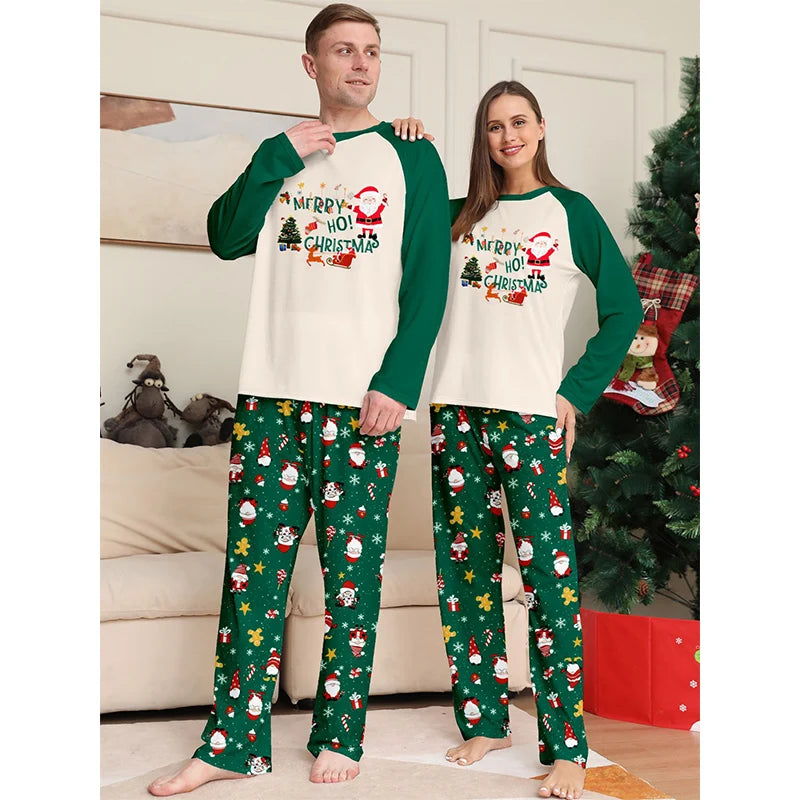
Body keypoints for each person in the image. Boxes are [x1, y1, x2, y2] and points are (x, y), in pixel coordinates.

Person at [147, 4, 451, 795]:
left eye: (373, 52)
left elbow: (426, 283)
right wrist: (275, 159)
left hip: (362, 403)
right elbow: (223, 234)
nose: (361, 64)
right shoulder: (280, 154)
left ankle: (339, 733)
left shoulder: (412, 157)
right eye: (344, 51)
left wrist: (400, 381)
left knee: (354, 579)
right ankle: (230, 743)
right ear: (310, 64)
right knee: (252, 579)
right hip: (273, 399)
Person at [393, 81, 642, 800]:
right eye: (495, 126)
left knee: (548, 585)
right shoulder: (457, 217)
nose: (508, 136)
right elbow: (394, 220)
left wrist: (574, 393)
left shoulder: (572, 213)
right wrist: (410, 148)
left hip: (530, 418)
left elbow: (623, 309)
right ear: (485, 137)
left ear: (540, 128)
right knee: (465, 575)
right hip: (456, 413)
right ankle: (486, 719)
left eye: (519, 123)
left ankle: (566, 745)